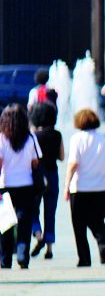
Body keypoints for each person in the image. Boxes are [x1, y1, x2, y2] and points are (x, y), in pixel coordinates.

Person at [64, 108, 105, 267]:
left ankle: (84, 258)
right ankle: (103, 244)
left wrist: (67, 185)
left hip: (80, 187)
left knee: (79, 225)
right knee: (98, 220)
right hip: (101, 187)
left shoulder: (77, 139)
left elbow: (73, 163)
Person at [0, 103, 42, 269]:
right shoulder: (30, 138)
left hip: (5, 185)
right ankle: (23, 253)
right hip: (26, 184)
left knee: (5, 224)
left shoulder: (2, 138)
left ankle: (5, 258)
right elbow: (35, 161)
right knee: (24, 221)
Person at [29, 101, 64, 260]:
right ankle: (49, 248)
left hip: (36, 176)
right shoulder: (57, 135)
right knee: (50, 212)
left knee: (32, 209)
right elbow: (62, 157)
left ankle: (37, 233)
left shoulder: (33, 136)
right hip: (53, 175)